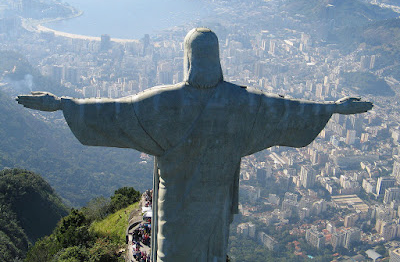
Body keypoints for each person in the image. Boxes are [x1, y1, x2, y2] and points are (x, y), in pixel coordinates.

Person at [17, 28, 372, 262]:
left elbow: (115, 113)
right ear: (217, 58)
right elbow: (286, 110)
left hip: (177, 210)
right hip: (215, 207)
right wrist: (333, 108)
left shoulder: (162, 103)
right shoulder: (244, 103)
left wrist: (63, 103)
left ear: (187, 59)